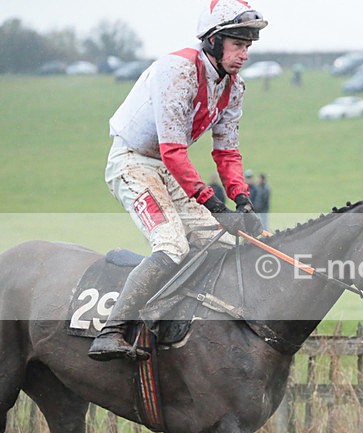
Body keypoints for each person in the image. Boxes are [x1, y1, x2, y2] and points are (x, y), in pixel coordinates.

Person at [89, 0, 268, 361]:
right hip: (133, 163)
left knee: (220, 245)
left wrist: (243, 200)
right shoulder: (179, 70)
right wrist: (215, 204)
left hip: (169, 169)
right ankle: (112, 330)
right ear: (213, 43)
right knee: (172, 246)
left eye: (248, 46)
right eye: (237, 44)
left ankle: (166, 311)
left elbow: (227, 152)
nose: (244, 54)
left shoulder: (234, 87)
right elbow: (173, 149)